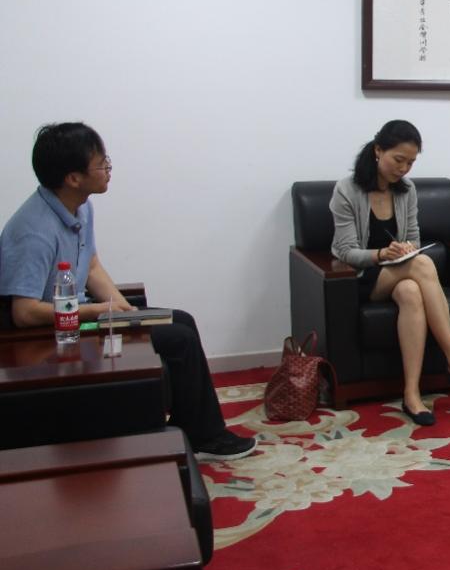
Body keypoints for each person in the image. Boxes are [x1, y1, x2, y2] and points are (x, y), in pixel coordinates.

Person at [0, 123, 257, 461]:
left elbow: (91, 266)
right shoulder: (33, 231)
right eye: (101, 164)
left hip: (81, 315)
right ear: (73, 178)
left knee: (181, 321)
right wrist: (99, 311)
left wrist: (126, 313)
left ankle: (194, 429)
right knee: (178, 339)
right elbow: (24, 312)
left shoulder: (79, 206)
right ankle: (204, 436)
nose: (108, 169)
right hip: (53, 334)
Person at [330, 120, 450, 426]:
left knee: (411, 291)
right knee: (423, 264)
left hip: (399, 275)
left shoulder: (407, 191)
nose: (403, 169)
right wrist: (382, 254)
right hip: (363, 278)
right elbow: (345, 251)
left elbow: (414, 239)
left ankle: (412, 395)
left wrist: (405, 249)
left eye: (411, 162)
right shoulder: (346, 190)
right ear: (378, 150)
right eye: (398, 159)